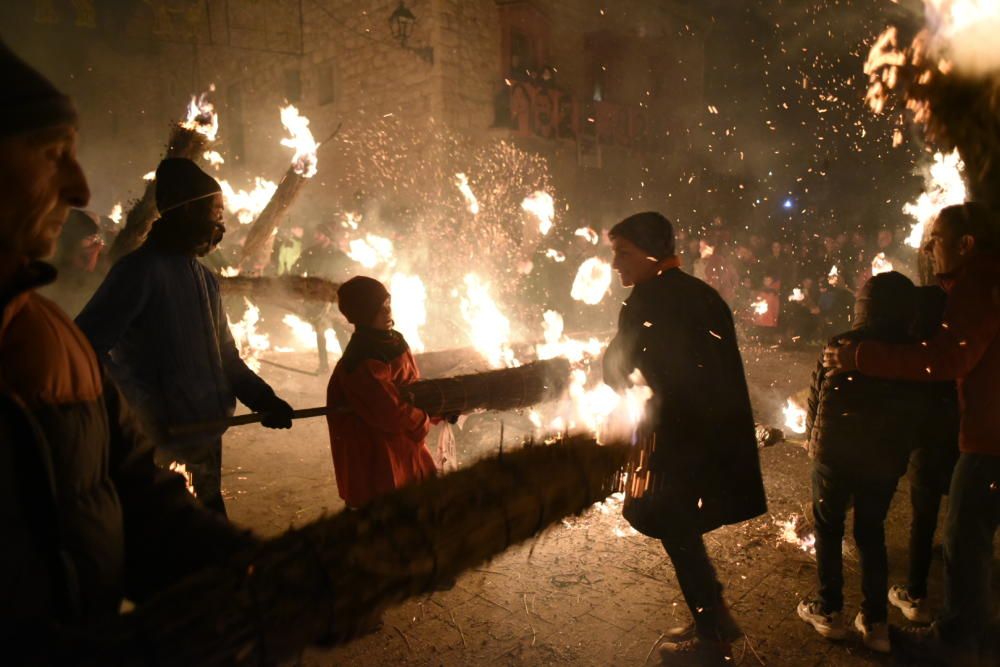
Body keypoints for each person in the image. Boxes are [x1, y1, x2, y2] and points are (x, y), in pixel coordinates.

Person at [0, 42, 254, 661]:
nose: (80, 185)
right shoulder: (137, 277)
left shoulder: (52, 339)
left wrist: (254, 573)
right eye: (53, 153)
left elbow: (135, 497)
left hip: (205, 425)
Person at [823, 202, 999, 664]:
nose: (927, 248)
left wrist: (859, 357)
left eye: (936, 240)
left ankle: (959, 642)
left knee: (965, 539)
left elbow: (945, 359)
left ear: (966, 244)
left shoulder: (980, 284)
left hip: (993, 439)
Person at [76, 157, 294, 517]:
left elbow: (226, 357)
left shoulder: (204, 278)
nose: (220, 223)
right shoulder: (138, 271)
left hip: (206, 434)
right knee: (170, 537)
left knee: (210, 521)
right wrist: (138, 409)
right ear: (189, 211)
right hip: (160, 441)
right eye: (216, 212)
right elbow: (85, 346)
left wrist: (263, 398)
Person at [602, 212, 767, 665]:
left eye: (624, 253)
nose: (615, 263)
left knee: (676, 528)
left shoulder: (649, 301)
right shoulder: (700, 294)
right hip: (706, 440)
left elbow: (628, 369)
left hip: (675, 445)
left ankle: (713, 636)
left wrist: (610, 370)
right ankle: (712, 616)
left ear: (653, 253)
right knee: (682, 531)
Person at [797, 271, 923, 653]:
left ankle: (829, 611)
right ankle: (875, 622)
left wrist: (810, 438)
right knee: (871, 535)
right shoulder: (909, 356)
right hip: (881, 461)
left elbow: (816, 396)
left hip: (834, 455)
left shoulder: (842, 344)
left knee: (829, 529)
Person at [325, 276, 438, 509]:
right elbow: (388, 410)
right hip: (381, 451)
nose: (387, 312)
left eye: (388, 304)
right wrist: (421, 420)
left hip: (405, 445)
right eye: (379, 308)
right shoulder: (363, 359)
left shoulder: (394, 340)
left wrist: (435, 406)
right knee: (388, 510)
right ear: (364, 313)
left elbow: (410, 385)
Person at [888, 284, 960, 625]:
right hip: (963, 441)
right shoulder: (961, 343)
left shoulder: (918, 350)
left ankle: (915, 595)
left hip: (931, 445)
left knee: (923, 517)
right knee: (962, 509)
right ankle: (954, 562)